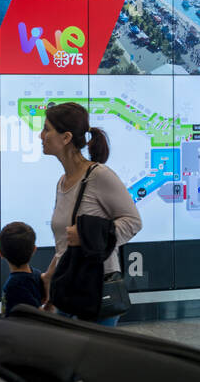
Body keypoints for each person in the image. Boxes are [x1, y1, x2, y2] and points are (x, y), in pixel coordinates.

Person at [40, 101, 142, 326]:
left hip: (97, 292)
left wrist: (89, 233)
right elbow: (66, 244)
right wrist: (50, 277)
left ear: (66, 137)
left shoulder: (99, 175)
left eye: (47, 129)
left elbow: (133, 222)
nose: (41, 135)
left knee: (94, 360)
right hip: (69, 289)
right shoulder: (62, 182)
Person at [0, 221, 44, 315]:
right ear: (34, 250)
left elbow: (39, 313)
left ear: (0, 253)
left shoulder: (14, 285)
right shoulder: (37, 275)